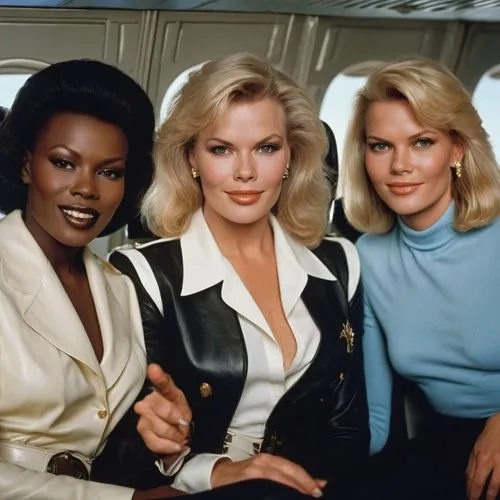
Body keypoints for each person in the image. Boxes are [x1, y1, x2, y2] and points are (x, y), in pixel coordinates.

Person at [108, 52, 369, 497]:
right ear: (191, 157)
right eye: (221, 149)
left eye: (266, 148)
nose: (245, 172)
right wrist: (212, 469)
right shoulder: (143, 274)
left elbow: (348, 428)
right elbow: (122, 447)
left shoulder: (340, 263)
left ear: (292, 155)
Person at [0, 58, 194, 500]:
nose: (86, 188)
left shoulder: (119, 285)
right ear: (27, 165)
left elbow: (108, 437)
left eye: (109, 172)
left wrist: (169, 443)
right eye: (64, 163)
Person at [341, 57, 500, 500]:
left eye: (422, 142)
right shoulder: (368, 257)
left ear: (458, 149)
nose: (400, 166)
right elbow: (373, 421)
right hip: (446, 444)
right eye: (381, 146)